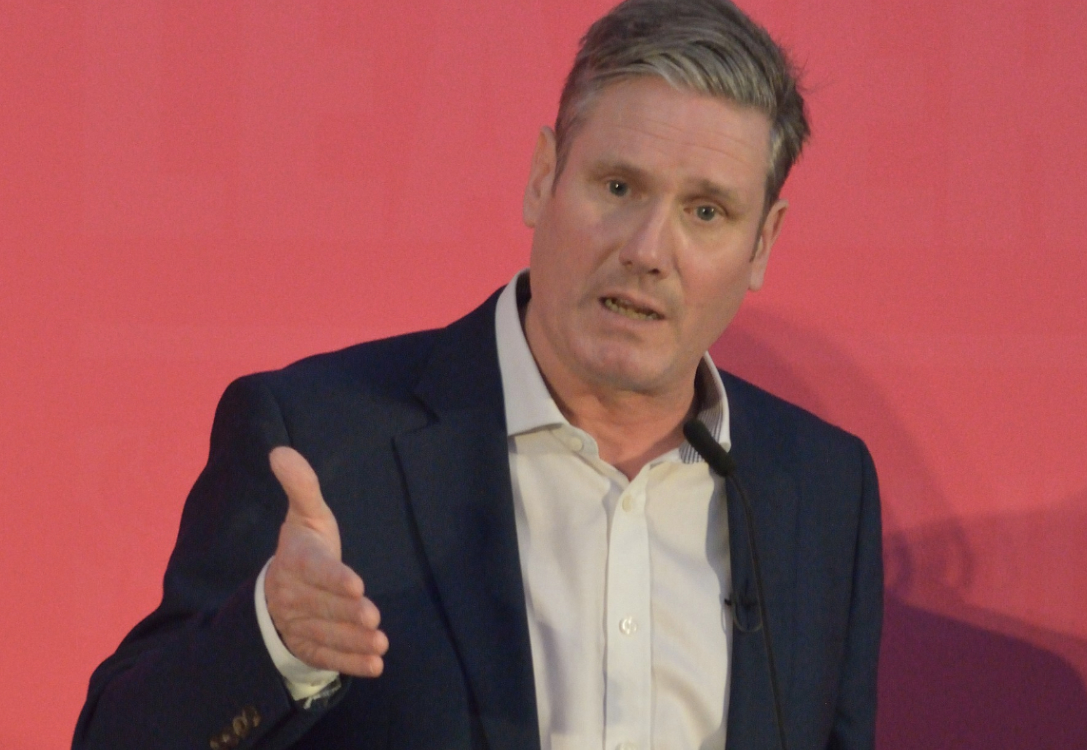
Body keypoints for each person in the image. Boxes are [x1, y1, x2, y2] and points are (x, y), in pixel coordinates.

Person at [74, 0, 882, 748]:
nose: (646, 251)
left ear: (764, 243)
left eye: (705, 212)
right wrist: (274, 641)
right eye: (618, 186)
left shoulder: (818, 485)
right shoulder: (322, 438)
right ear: (543, 177)